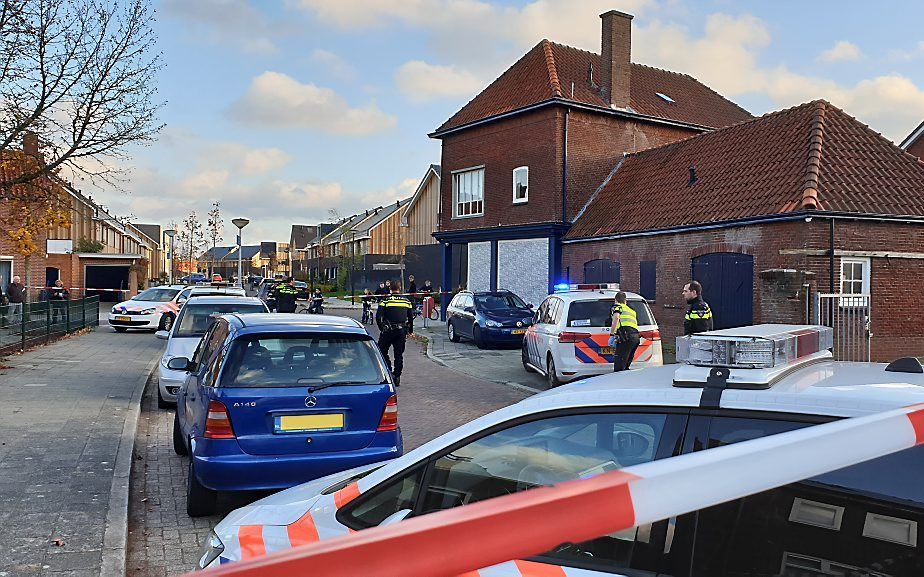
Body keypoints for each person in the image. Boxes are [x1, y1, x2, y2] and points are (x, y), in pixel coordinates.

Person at [376, 282, 414, 386]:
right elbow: (410, 318)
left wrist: (381, 328)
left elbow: (378, 317)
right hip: (401, 332)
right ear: (400, 288)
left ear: (390, 289)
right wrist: (410, 331)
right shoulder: (407, 301)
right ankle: (397, 376)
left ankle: (388, 370)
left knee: (381, 350)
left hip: (388, 331)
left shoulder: (385, 300)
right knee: (399, 355)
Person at [608, 292, 640, 372]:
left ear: (615, 300)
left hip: (626, 337)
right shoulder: (632, 311)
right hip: (635, 338)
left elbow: (616, 318)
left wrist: (612, 335)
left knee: (619, 366)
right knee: (625, 365)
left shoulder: (617, 307)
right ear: (625, 301)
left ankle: (618, 383)